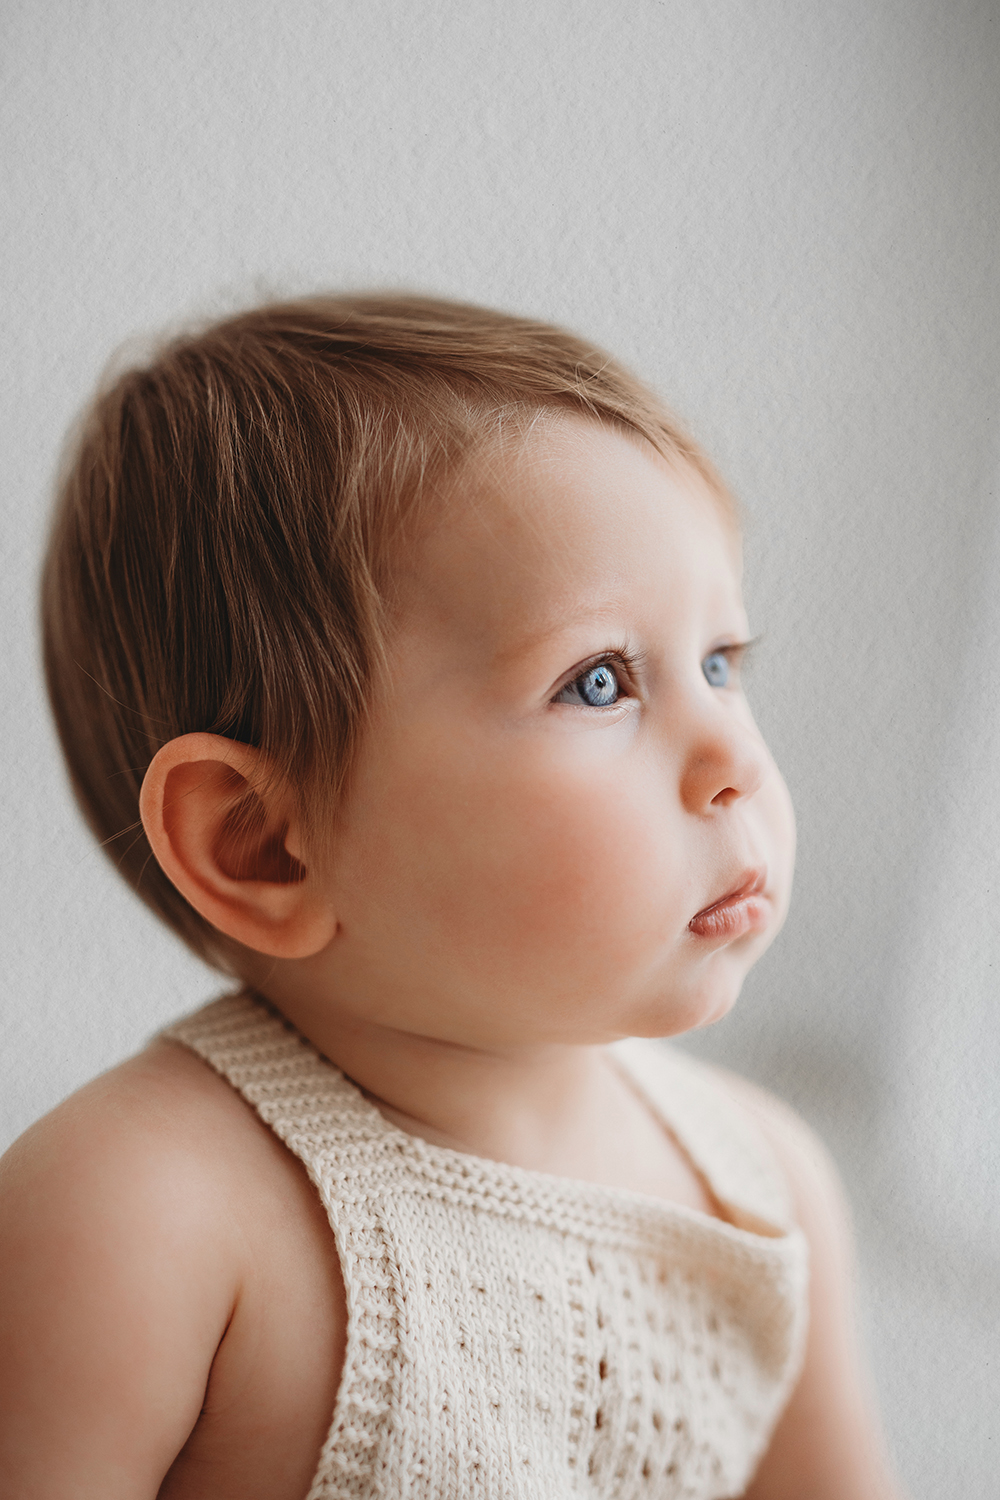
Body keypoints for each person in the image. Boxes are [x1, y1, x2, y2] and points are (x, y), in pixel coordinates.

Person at [0, 295, 903, 1498]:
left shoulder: (766, 1193)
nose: (732, 755)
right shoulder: (140, 1219)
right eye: (597, 682)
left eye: (721, 662)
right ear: (264, 845)